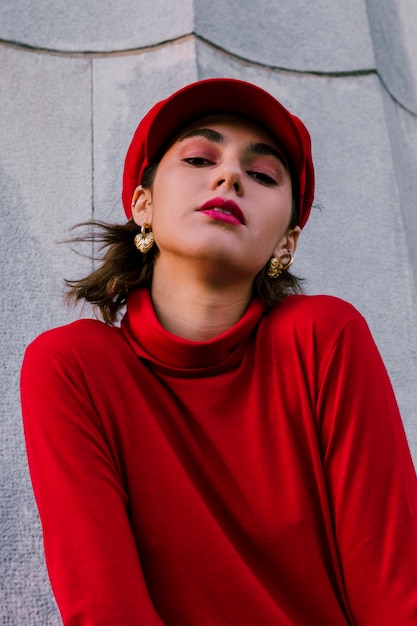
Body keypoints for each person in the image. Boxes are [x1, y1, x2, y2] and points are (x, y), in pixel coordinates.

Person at [21, 78, 417, 625]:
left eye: (261, 175)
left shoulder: (323, 336)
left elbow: (396, 593)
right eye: (199, 158)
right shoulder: (74, 365)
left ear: (287, 241)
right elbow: (106, 608)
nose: (229, 176)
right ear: (144, 204)